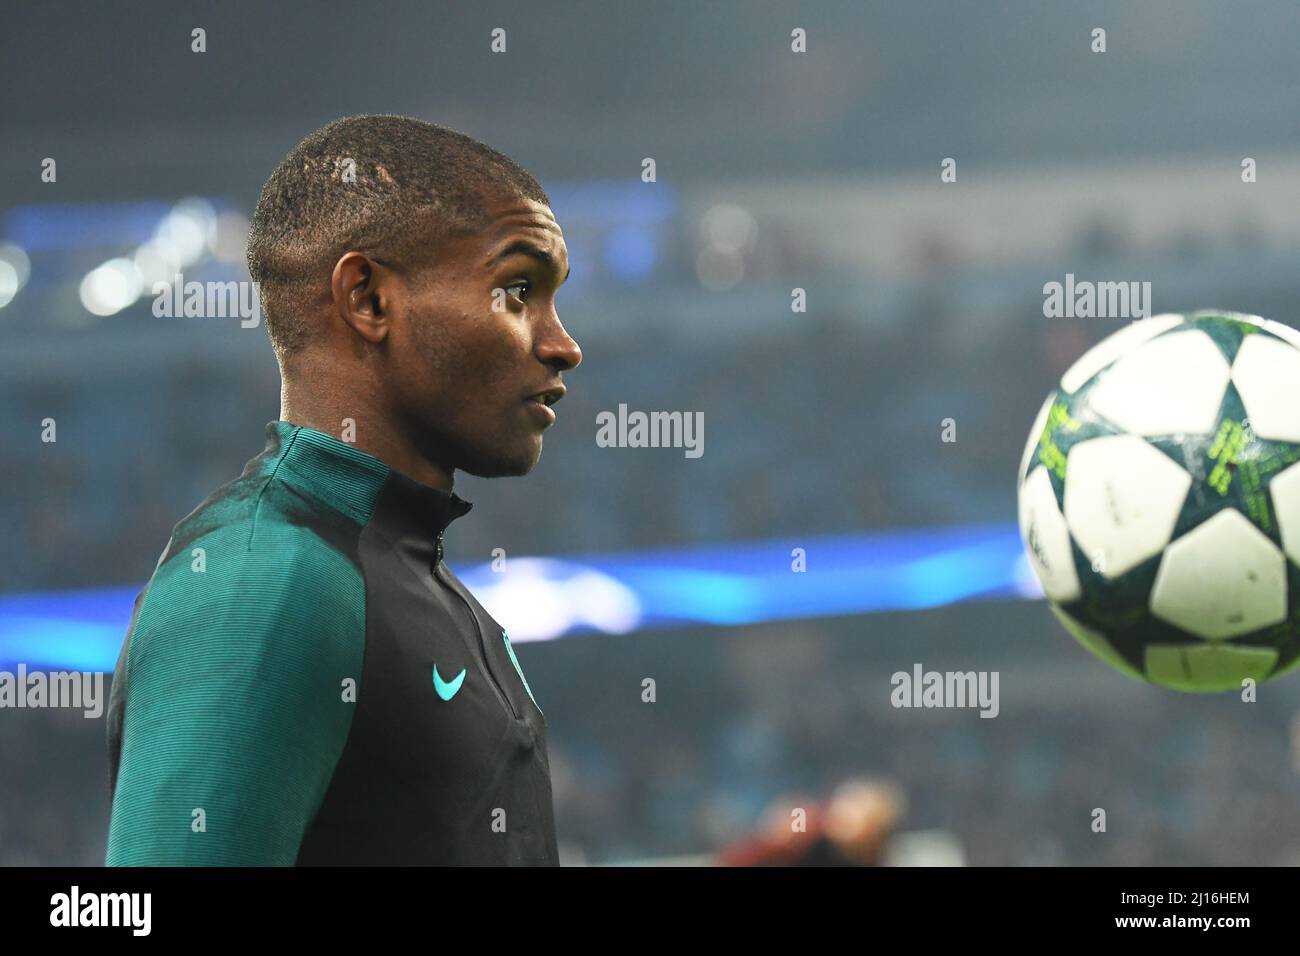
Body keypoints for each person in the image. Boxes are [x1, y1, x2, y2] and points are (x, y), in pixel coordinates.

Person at [106, 114, 581, 865]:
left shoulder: (410, 578)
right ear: (368, 299)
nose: (563, 343)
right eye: (517, 290)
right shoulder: (261, 580)